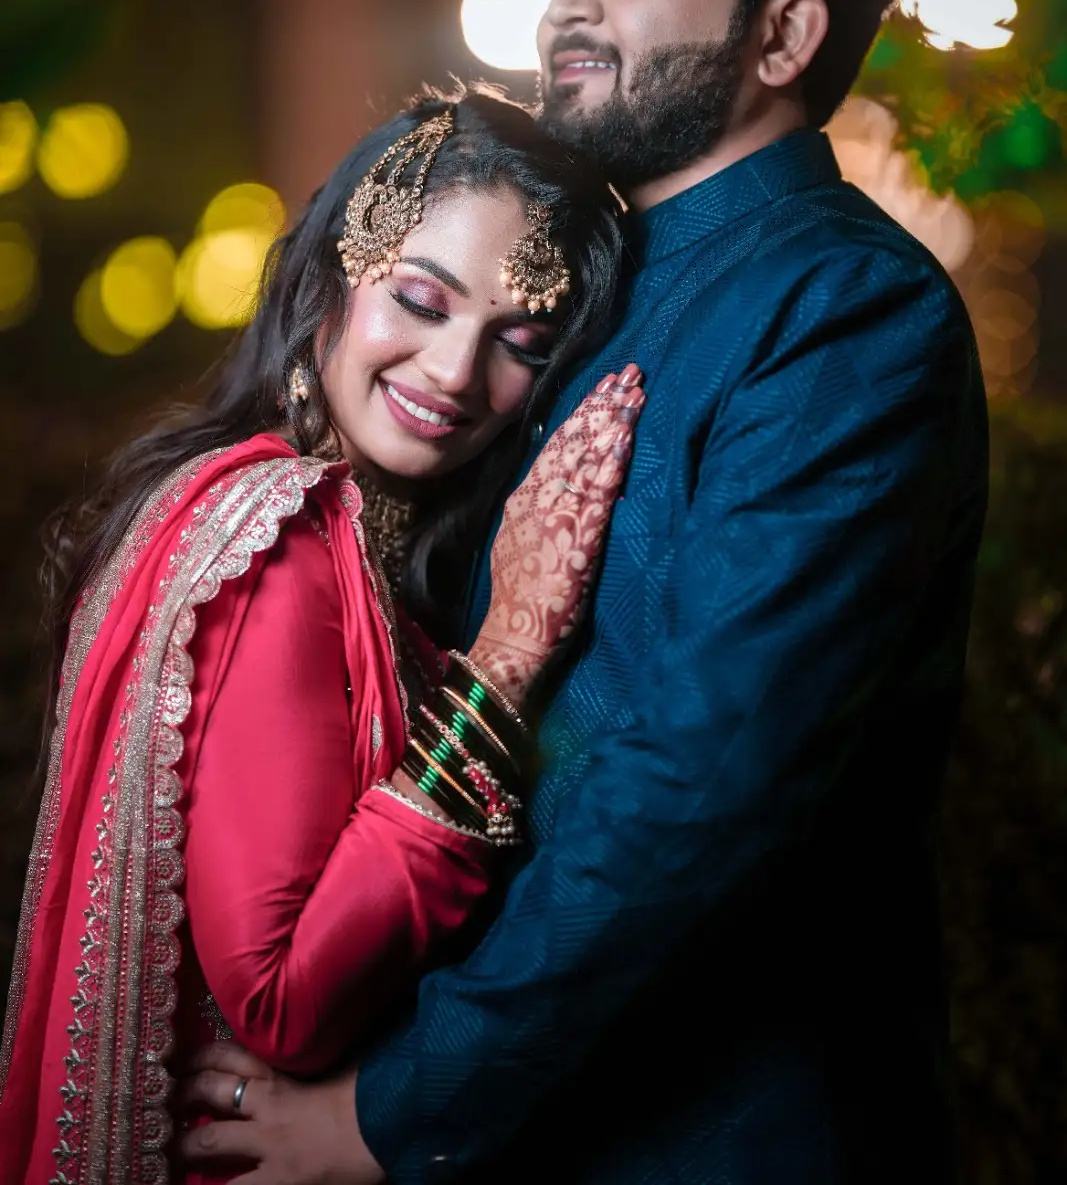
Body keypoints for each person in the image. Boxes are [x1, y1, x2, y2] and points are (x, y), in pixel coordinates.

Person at [184, 0, 989, 1185]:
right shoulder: (573, 288)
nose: (567, 1)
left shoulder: (842, 313)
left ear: (782, 32)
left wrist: (390, 1111)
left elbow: (701, 786)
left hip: (708, 1139)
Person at [0, 89, 646, 1184]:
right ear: (332, 277)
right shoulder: (278, 541)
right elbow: (283, 1000)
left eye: (519, 343)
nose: (453, 371)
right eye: (420, 300)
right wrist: (507, 655)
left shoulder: (318, 534)